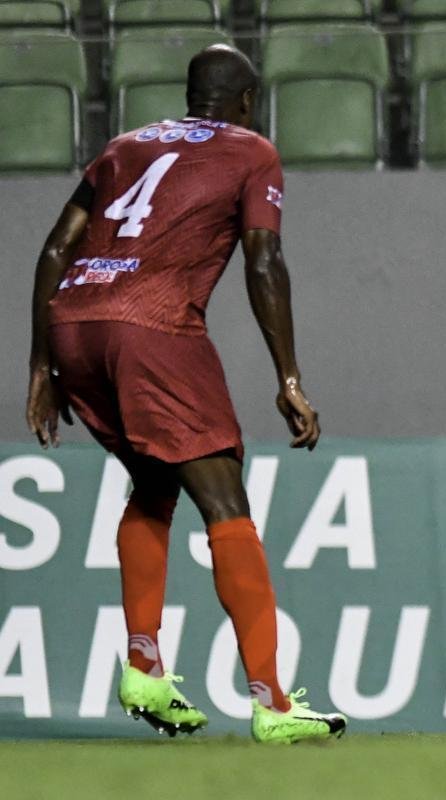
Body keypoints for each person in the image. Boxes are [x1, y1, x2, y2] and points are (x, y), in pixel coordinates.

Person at [25, 44, 346, 744]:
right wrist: (289, 377)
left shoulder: (124, 146)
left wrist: (41, 369)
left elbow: (55, 250)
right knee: (225, 499)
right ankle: (273, 705)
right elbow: (264, 260)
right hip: (153, 326)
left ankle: (143, 666)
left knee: (152, 481)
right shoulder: (252, 150)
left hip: (75, 322)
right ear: (245, 101)